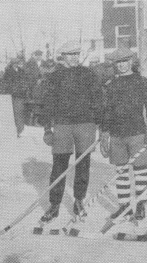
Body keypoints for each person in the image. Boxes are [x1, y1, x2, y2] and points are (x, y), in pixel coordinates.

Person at [39, 41, 104, 223]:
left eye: (76, 54)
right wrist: (47, 128)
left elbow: (98, 99)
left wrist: (100, 123)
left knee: (83, 164)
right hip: (63, 125)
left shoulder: (88, 74)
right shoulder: (54, 77)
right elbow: (47, 104)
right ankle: (55, 204)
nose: (74, 57)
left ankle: (78, 201)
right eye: (70, 54)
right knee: (59, 165)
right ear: (63, 57)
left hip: (85, 124)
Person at [99, 47, 147, 221]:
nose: (122, 65)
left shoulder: (142, 82)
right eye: (118, 62)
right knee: (121, 170)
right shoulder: (111, 85)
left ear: (131, 61)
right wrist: (104, 132)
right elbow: (106, 111)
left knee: (140, 170)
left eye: (125, 61)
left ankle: (140, 205)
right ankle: (124, 206)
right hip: (117, 133)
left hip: (137, 131)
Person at [0, 56, 29, 137]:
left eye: (18, 63)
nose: (17, 64)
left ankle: (19, 130)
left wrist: (24, 89)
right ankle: (16, 131)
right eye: (15, 63)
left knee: (19, 112)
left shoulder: (21, 71)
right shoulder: (8, 72)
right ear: (12, 64)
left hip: (20, 95)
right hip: (11, 95)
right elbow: (5, 83)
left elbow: (25, 81)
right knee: (14, 113)